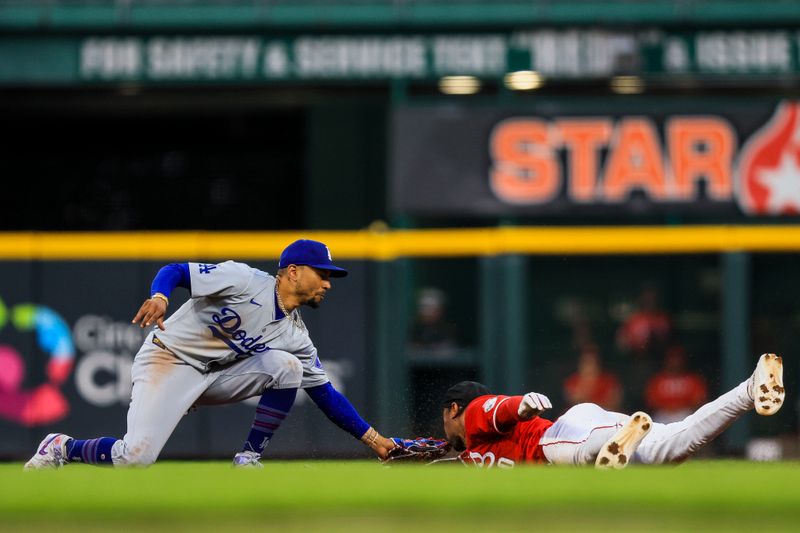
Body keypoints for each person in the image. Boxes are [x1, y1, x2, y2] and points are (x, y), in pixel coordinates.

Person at [24, 239, 398, 469]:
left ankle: (248, 459)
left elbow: (325, 395)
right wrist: (160, 296)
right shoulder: (244, 280)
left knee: (287, 366)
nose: (328, 283)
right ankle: (62, 446)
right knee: (134, 458)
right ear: (294, 272)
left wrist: (376, 441)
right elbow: (175, 270)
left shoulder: (297, 335)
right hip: (168, 361)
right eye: (323, 274)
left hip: (213, 377)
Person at [440, 353, 784, 469]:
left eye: (445, 416)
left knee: (574, 452)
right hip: (590, 422)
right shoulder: (464, 454)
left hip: (556, 437)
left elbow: (497, 407)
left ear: (454, 409)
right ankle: (749, 389)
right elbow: (410, 451)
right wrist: (383, 443)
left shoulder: (471, 415)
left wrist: (523, 403)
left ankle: (611, 445)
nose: (444, 426)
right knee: (671, 448)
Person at [645, 344, 708, 424]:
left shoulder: (692, 379)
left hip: (685, 413)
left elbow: (699, 401)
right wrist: (670, 408)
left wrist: (679, 407)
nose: (675, 362)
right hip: (663, 414)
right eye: (672, 358)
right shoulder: (657, 380)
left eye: (677, 359)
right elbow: (651, 402)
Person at [562, 344, 623, 411]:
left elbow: (615, 402)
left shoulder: (608, 380)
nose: (589, 367)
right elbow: (572, 402)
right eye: (586, 363)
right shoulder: (573, 381)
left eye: (592, 363)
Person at [409, 287, 459, 357]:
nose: (426, 312)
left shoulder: (448, 329)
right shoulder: (413, 328)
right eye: (423, 308)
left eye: (430, 308)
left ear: (440, 310)